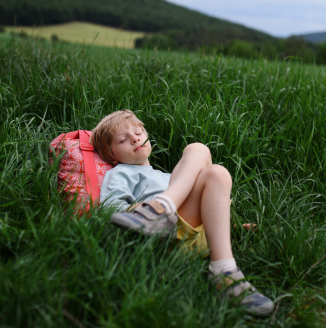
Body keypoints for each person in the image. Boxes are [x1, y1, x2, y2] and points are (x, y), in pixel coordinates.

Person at [89, 110, 274, 316]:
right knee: (198, 149)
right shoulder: (120, 173)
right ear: (110, 155)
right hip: (165, 239)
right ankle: (160, 211)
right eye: (123, 139)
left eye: (139, 131)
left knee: (216, 172)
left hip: (195, 235)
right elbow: (112, 209)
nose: (135, 138)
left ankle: (224, 268)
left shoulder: (171, 176)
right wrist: (143, 207)